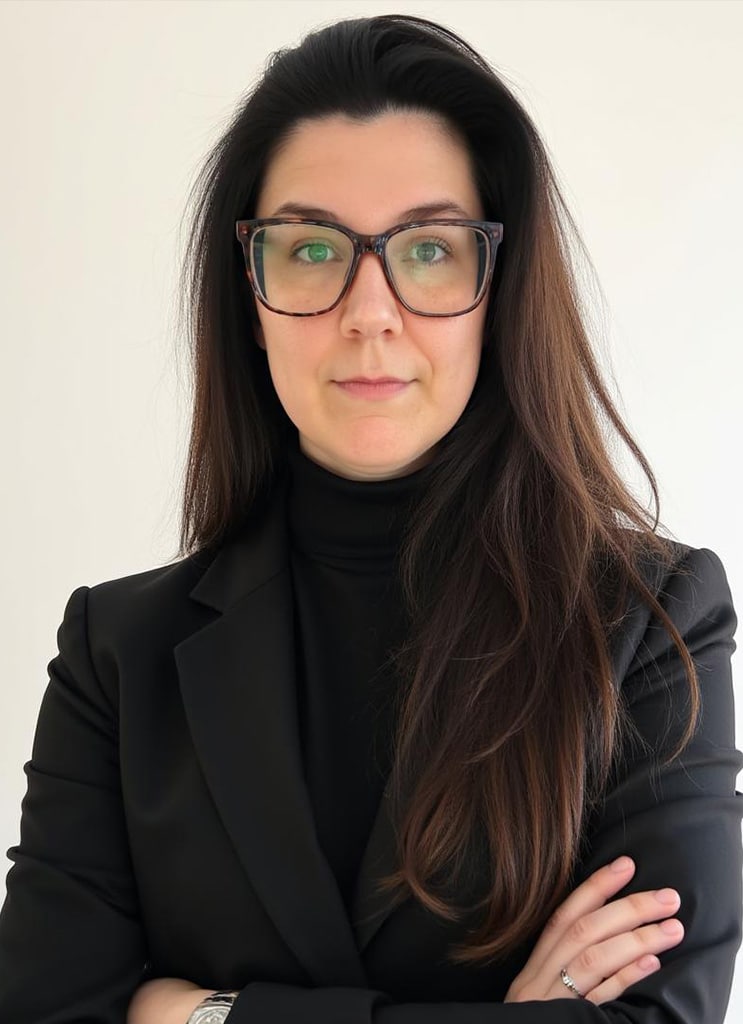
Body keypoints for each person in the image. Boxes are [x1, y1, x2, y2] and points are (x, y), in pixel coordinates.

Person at [0, 12, 740, 1024]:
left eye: (428, 249)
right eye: (311, 248)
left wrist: (197, 1014)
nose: (370, 311)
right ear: (249, 292)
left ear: (498, 286)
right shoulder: (118, 655)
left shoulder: (648, 620)